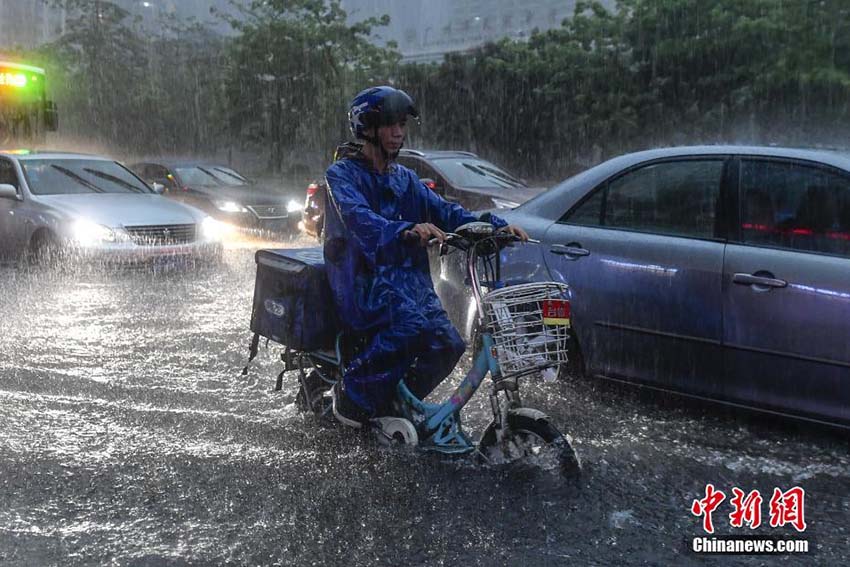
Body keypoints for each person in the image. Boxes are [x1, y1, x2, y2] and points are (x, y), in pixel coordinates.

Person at [323, 85, 528, 428]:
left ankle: (393, 401)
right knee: (411, 326)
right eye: (389, 124)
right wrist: (404, 230)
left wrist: (494, 226)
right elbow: (360, 219)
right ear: (367, 127)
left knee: (448, 342)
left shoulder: (406, 179)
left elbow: (446, 212)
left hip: (408, 283)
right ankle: (353, 395)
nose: (398, 133)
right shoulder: (341, 175)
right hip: (365, 281)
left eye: (402, 124)